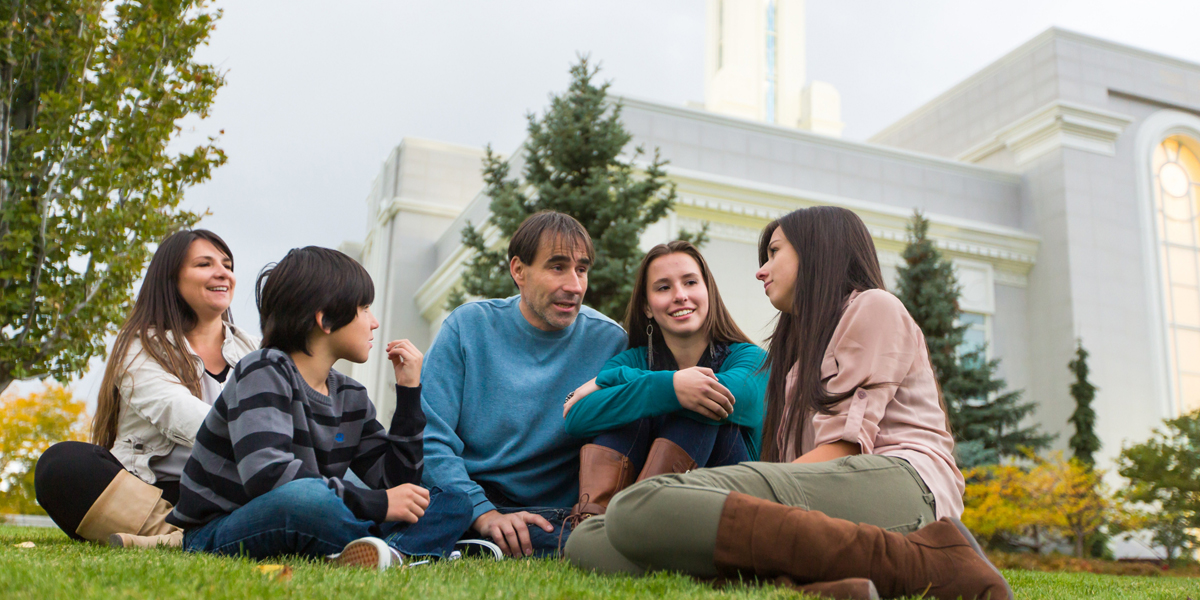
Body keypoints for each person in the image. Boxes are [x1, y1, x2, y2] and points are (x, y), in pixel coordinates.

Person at [566, 206, 1012, 600]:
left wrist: (726, 495)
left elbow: (844, 448)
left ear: (817, 253)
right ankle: (804, 585)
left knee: (643, 506)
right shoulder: (794, 352)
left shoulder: (873, 307)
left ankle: (931, 561)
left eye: (774, 253)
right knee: (589, 541)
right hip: (818, 502)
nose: (761, 270)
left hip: (902, 485)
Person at [166, 247, 472, 568]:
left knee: (452, 499)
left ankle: (387, 554)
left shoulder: (351, 394)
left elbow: (396, 483)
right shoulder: (263, 369)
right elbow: (268, 476)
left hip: (318, 516)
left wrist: (409, 392)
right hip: (225, 528)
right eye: (365, 309)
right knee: (307, 500)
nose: (375, 322)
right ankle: (400, 546)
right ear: (325, 319)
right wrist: (376, 503)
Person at [420, 211, 627, 558]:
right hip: (461, 496)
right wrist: (482, 512)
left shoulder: (610, 342)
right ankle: (469, 534)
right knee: (389, 501)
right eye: (557, 267)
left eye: (582, 269)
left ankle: (461, 542)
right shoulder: (467, 327)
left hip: (550, 515)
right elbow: (430, 438)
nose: (575, 285)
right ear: (519, 270)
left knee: (584, 542)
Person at [34, 229, 259, 548]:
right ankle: (188, 538)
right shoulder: (140, 346)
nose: (223, 273)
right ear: (172, 278)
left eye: (227, 264)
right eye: (204, 264)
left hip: (231, 490)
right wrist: (260, 445)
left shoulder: (258, 351)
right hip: (152, 495)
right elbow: (175, 410)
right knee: (62, 465)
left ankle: (190, 541)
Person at [562, 240, 766, 519]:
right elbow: (576, 417)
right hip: (648, 508)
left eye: (691, 282)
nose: (680, 295)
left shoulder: (750, 358)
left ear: (708, 291)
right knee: (626, 412)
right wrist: (671, 387)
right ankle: (591, 524)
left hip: (729, 511)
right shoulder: (633, 359)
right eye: (663, 287)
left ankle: (636, 524)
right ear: (647, 306)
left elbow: (731, 396)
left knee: (703, 408)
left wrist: (620, 378)